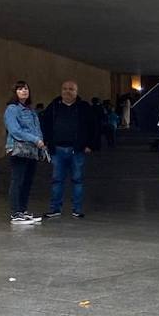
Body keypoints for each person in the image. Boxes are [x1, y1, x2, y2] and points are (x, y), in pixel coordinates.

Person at [39, 80, 99, 218]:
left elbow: (93, 126)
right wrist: (46, 141)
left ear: (76, 92)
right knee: (56, 180)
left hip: (76, 150)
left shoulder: (84, 107)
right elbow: (45, 123)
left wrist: (90, 144)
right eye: (65, 89)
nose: (67, 91)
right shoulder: (54, 106)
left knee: (77, 180)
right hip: (57, 150)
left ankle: (77, 209)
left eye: (71, 89)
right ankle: (55, 209)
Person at [3, 81, 45, 225]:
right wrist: (35, 139)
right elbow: (14, 130)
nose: (24, 91)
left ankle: (23, 210)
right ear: (15, 92)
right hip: (19, 150)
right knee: (18, 180)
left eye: (26, 88)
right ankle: (15, 213)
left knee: (27, 181)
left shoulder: (31, 110)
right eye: (20, 89)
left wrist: (41, 143)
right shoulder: (12, 109)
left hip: (32, 150)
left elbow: (37, 128)